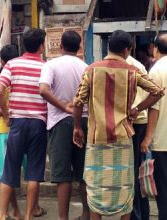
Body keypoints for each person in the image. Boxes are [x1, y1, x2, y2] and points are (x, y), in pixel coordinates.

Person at [72, 30, 164, 220]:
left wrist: (77, 128)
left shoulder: (91, 70)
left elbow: (78, 102)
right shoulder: (132, 71)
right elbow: (157, 92)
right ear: (126, 50)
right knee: (125, 187)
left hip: (96, 138)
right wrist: (137, 109)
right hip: (123, 138)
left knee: (96, 185)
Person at [0, 28, 48, 220]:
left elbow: (0, 90)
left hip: (17, 122)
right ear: (41, 46)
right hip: (38, 123)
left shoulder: (12, 64)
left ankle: (2, 215)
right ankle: (28, 216)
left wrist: (6, 113)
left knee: (9, 169)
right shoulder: (45, 67)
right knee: (34, 173)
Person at [39, 30, 89, 220]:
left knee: (62, 175)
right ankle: (86, 215)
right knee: (84, 172)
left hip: (60, 123)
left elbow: (43, 89)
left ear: (60, 45)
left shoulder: (51, 65)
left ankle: (63, 218)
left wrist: (63, 107)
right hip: (83, 121)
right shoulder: (86, 66)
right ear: (80, 47)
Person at [0, 44, 21, 220]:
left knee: (7, 174)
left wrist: (8, 112)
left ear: (1, 61)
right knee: (15, 173)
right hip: (19, 127)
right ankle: (14, 210)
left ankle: (6, 212)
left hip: (4, 129)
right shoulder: (22, 78)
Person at [141, 33, 167, 220]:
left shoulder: (156, 71)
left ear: (155, 49)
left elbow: (154, 107)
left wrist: (147, 137)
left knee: (163, 187)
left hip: (162, 140)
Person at [126, 55, 151, 220]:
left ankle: (136, 215)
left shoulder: (122, 66)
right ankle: (143, 213)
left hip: (131, 122)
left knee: (131, 172)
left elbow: (156, 91)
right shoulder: (139, 66)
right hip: (140, 121)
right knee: (137, 170)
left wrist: (135, 109)